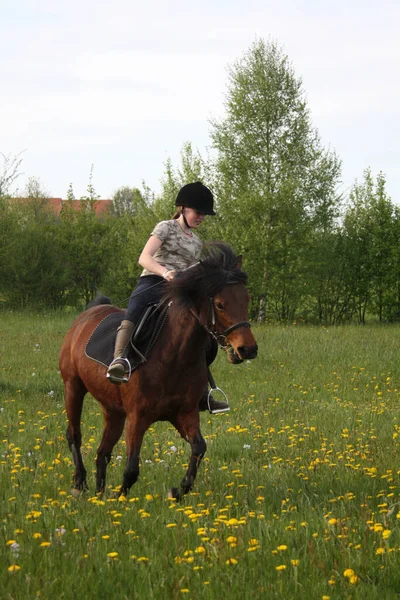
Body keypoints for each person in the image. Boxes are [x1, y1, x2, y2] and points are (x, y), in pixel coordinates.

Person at [106, 181, 229, 413]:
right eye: (198, 212)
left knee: (201, 329)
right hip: (154, 281)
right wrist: (164, 272)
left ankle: (202, 389)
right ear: (183, 209)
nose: (202, 217)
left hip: (180, 290)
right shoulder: (165, 227)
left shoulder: (196, 241)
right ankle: (119, 360)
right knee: (137, 307)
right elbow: (144, 257)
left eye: (204, 214)